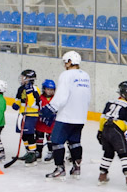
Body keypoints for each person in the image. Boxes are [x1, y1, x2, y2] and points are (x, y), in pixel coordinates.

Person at [41, 51, 92, 180]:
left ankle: (60, 169)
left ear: (70, 61)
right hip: (80, 117)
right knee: (75, 142)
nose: (64, 64)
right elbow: (87, 96)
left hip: (66, 116)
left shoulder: (66, 75)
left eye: (65, 62)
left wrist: (50, 108)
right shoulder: (85, 75)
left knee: (56, 141)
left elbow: (62, 95)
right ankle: (76, 168)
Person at [96, 81, 127, 190]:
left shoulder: (110, 102)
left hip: (106, 129)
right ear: (126, 95)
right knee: (124, 154)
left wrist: (100, 131)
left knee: (108, 153)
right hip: (116, 132)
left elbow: (102, 118)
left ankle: (102, 176)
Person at [12, 69, 41, 165]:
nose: (21, 79)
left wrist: (29, 92)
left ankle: (33, 154)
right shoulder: (21, 88)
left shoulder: (35, 89)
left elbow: (33, 104)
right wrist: (16, 104)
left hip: (31, 115)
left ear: (29, 78)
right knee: (23, 134)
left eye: (23, 77)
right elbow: (18, 99)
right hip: (22, 114)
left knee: (29, 134)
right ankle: (28, 152)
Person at [37, 78, 56, 162]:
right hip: (40, 122)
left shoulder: (55, 99)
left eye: (52, 90)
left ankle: (51, 152)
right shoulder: (39, 98)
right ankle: (38, 151)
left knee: (50, 137)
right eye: (48, 89)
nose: (50, 91)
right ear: (44, 89)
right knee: (39, 137)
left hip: (51, 123)